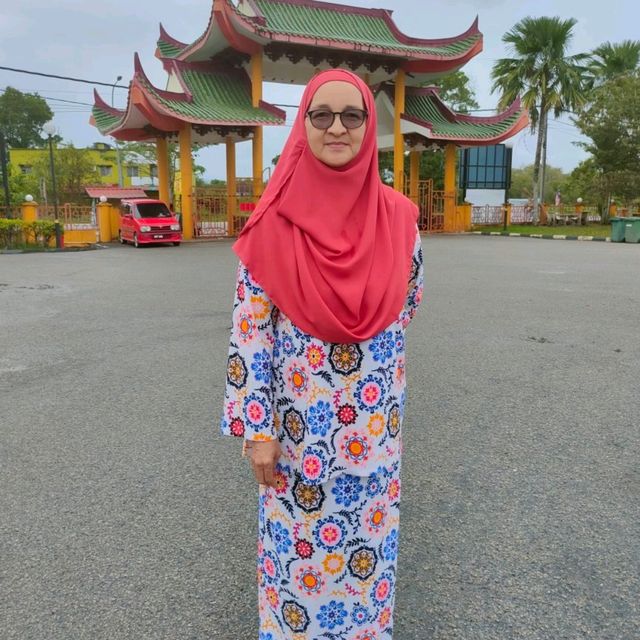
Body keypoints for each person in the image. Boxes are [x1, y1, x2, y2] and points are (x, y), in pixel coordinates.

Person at [220, 68, 424, 639]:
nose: (337, 127)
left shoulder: (401, 220)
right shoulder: (272, 223)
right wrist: (257, 430)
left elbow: (406, 305)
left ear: (368, 126)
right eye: (322, 114)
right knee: (299, 573)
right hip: (298, 441)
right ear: (303, 125)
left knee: (368, 567)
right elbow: (249, 336)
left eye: (352, 115)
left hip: (375, 440)